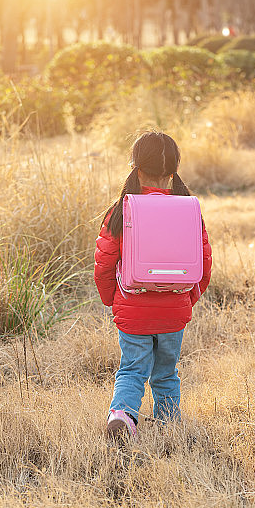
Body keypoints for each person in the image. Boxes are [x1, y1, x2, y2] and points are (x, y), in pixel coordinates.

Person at [94, 131, 212, 441]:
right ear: (174, 170)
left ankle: (122, 415)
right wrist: (187, 299)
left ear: (136, 168)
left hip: (132, 311)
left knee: (132, 370)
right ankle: (168, 427)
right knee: (166, 374)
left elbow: (104, 264)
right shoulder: (189, 209)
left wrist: (112, 300)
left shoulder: (121, 210)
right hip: (174, 311)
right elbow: (203, 264)